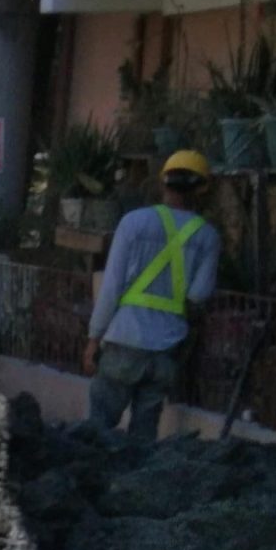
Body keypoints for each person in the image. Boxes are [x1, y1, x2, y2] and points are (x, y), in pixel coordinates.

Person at [82, 148, 220, 443]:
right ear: (202, 189)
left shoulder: (133, 222)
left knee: (96, 432)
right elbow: (199, 295)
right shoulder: (208, 236)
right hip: (166, 351)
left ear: (163, 183)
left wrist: (94, 338)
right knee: (143, 440)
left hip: (124, 342)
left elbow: (112, 286)